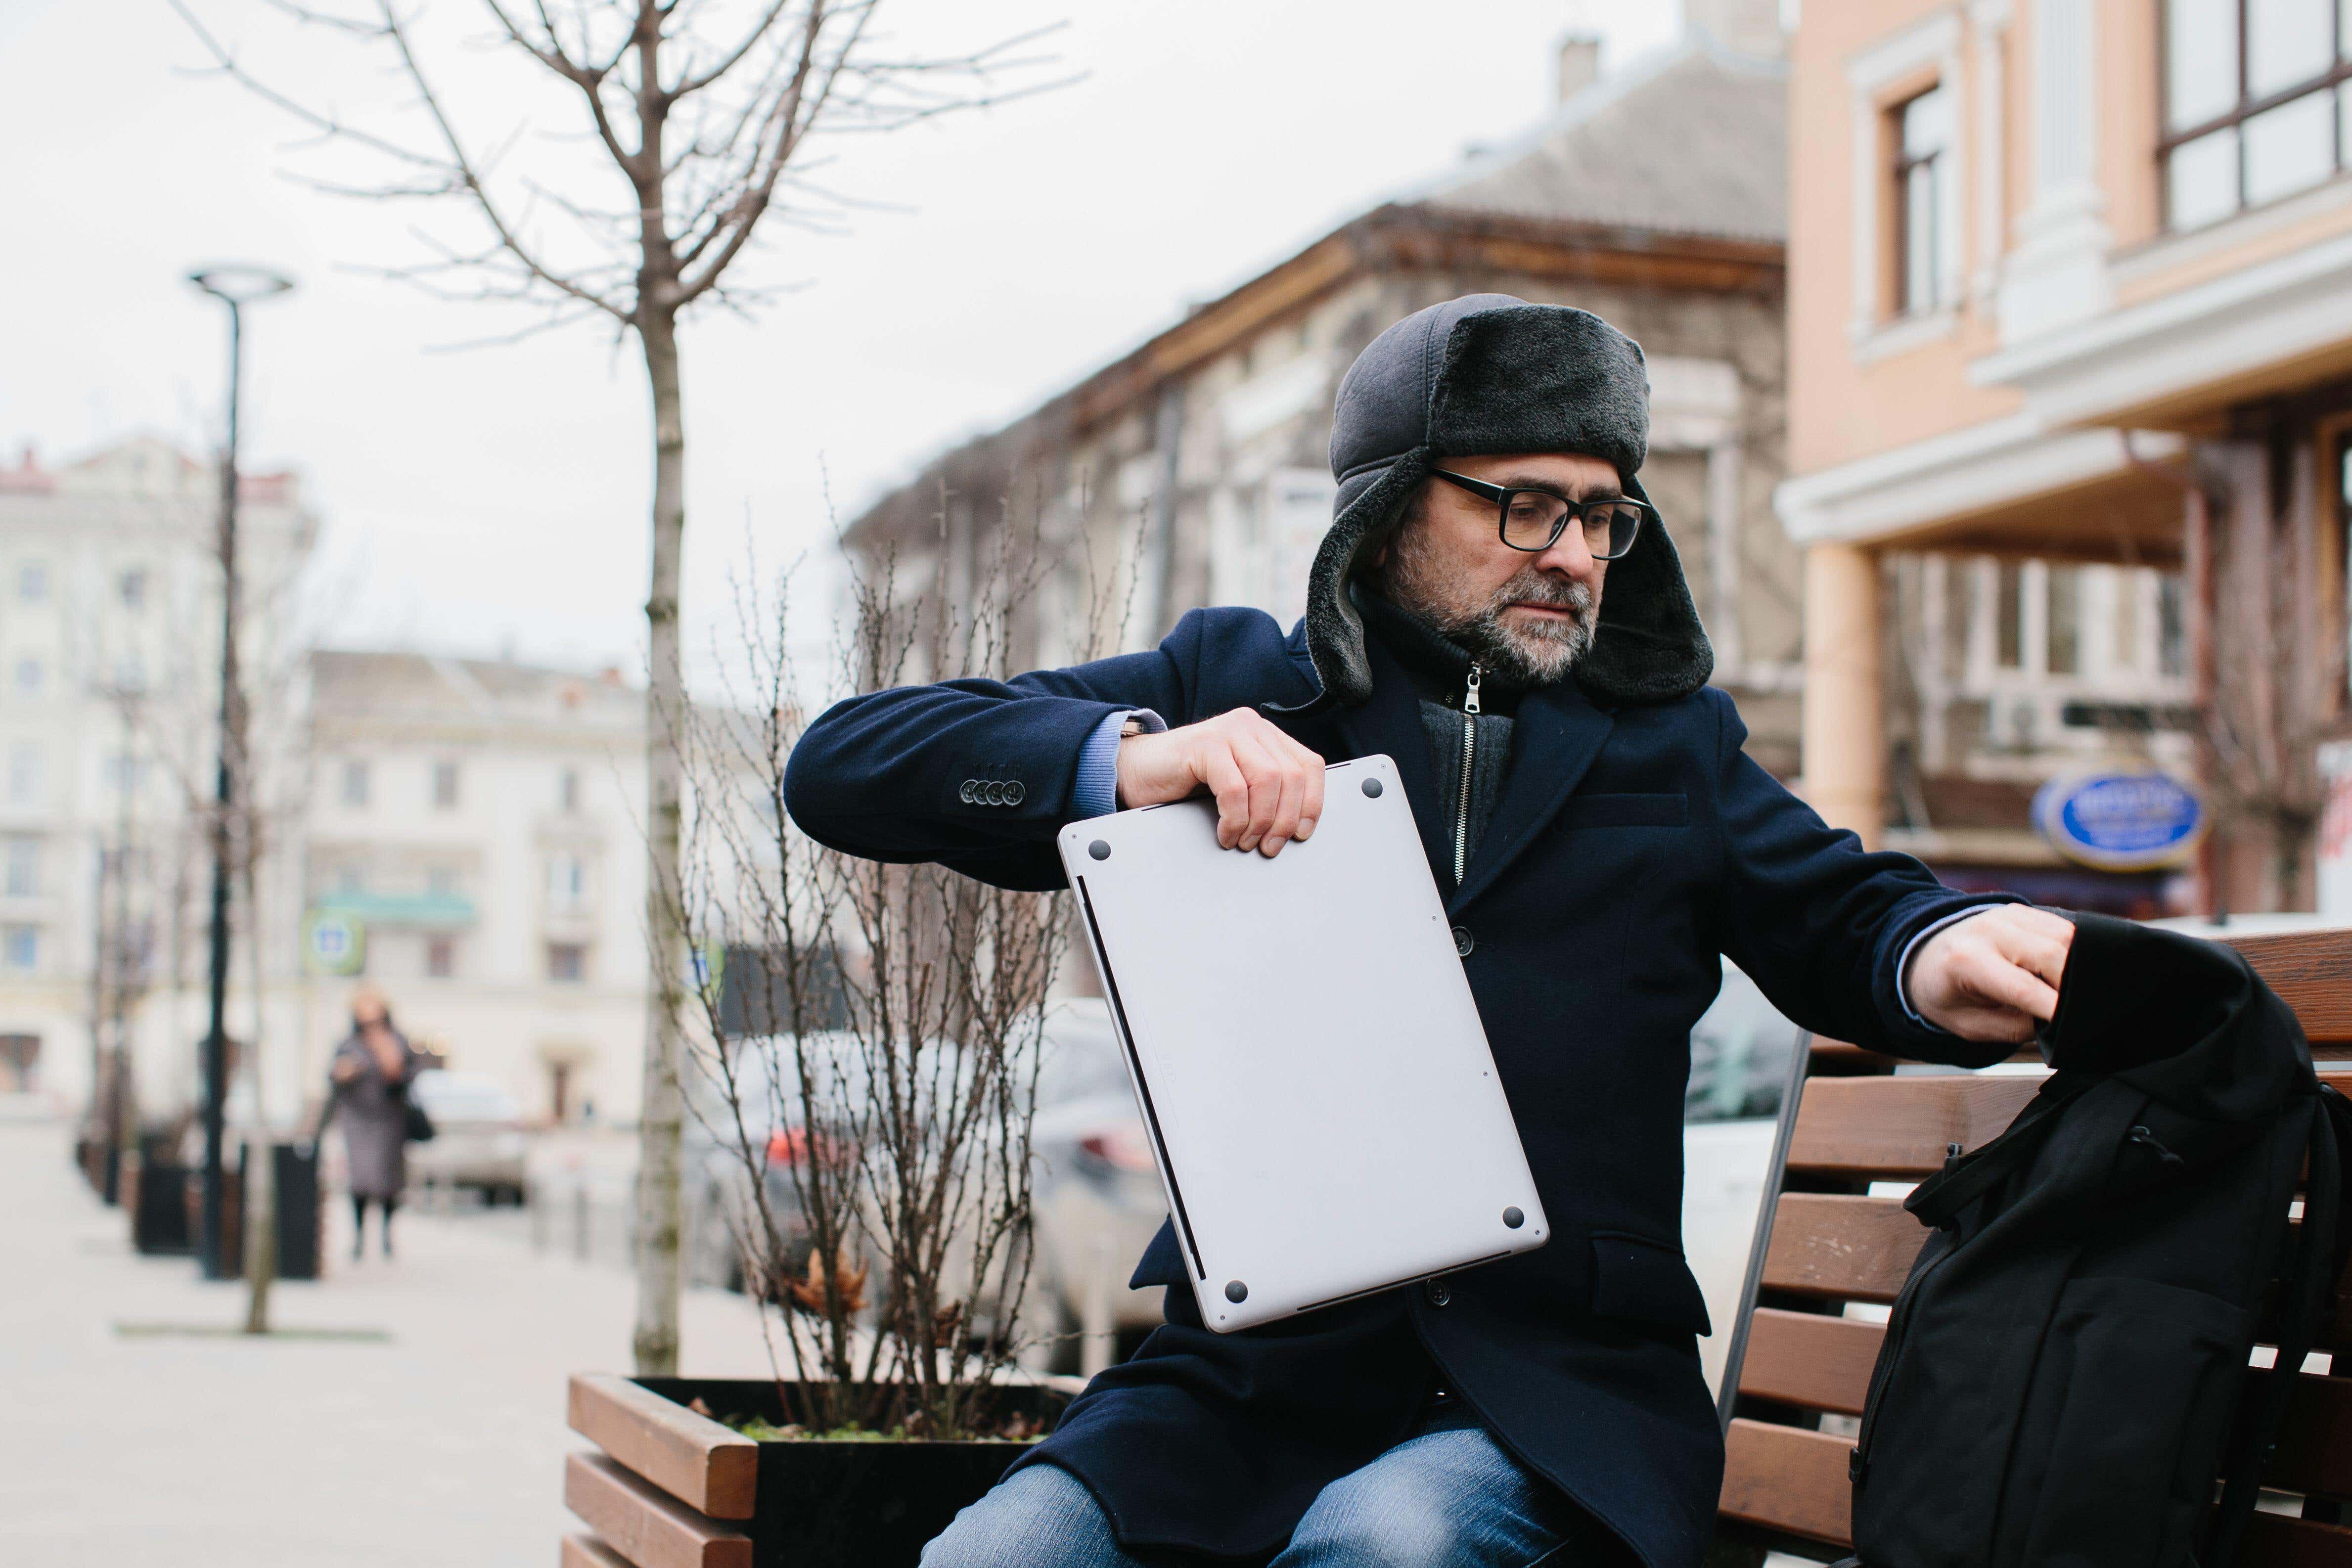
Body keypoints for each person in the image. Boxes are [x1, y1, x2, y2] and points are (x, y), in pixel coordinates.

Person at [784, 296, 2076, 1568]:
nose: (1570, 550)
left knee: (1384, 1540)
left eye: (1601, 512)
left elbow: (1844, 910)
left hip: (1562, 1396)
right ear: (1389, 503)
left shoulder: (1668, 741)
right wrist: (1126, 759)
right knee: (994, 1555)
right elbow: (839, 766)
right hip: (1244, 1388)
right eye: (1521, 502)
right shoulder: (1232, 686)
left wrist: (1931, 946)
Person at [323, 984, 421, 1262]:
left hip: (390, 1118)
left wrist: (393, 1064)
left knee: (390, 1180)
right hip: (358, 1118)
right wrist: (344, 1073)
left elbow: (409, 1076)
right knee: (360, 1179)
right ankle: (359, 1239)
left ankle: (388, 1237)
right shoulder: (348, 1043)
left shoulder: (397, 1041)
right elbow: (332, 1076)